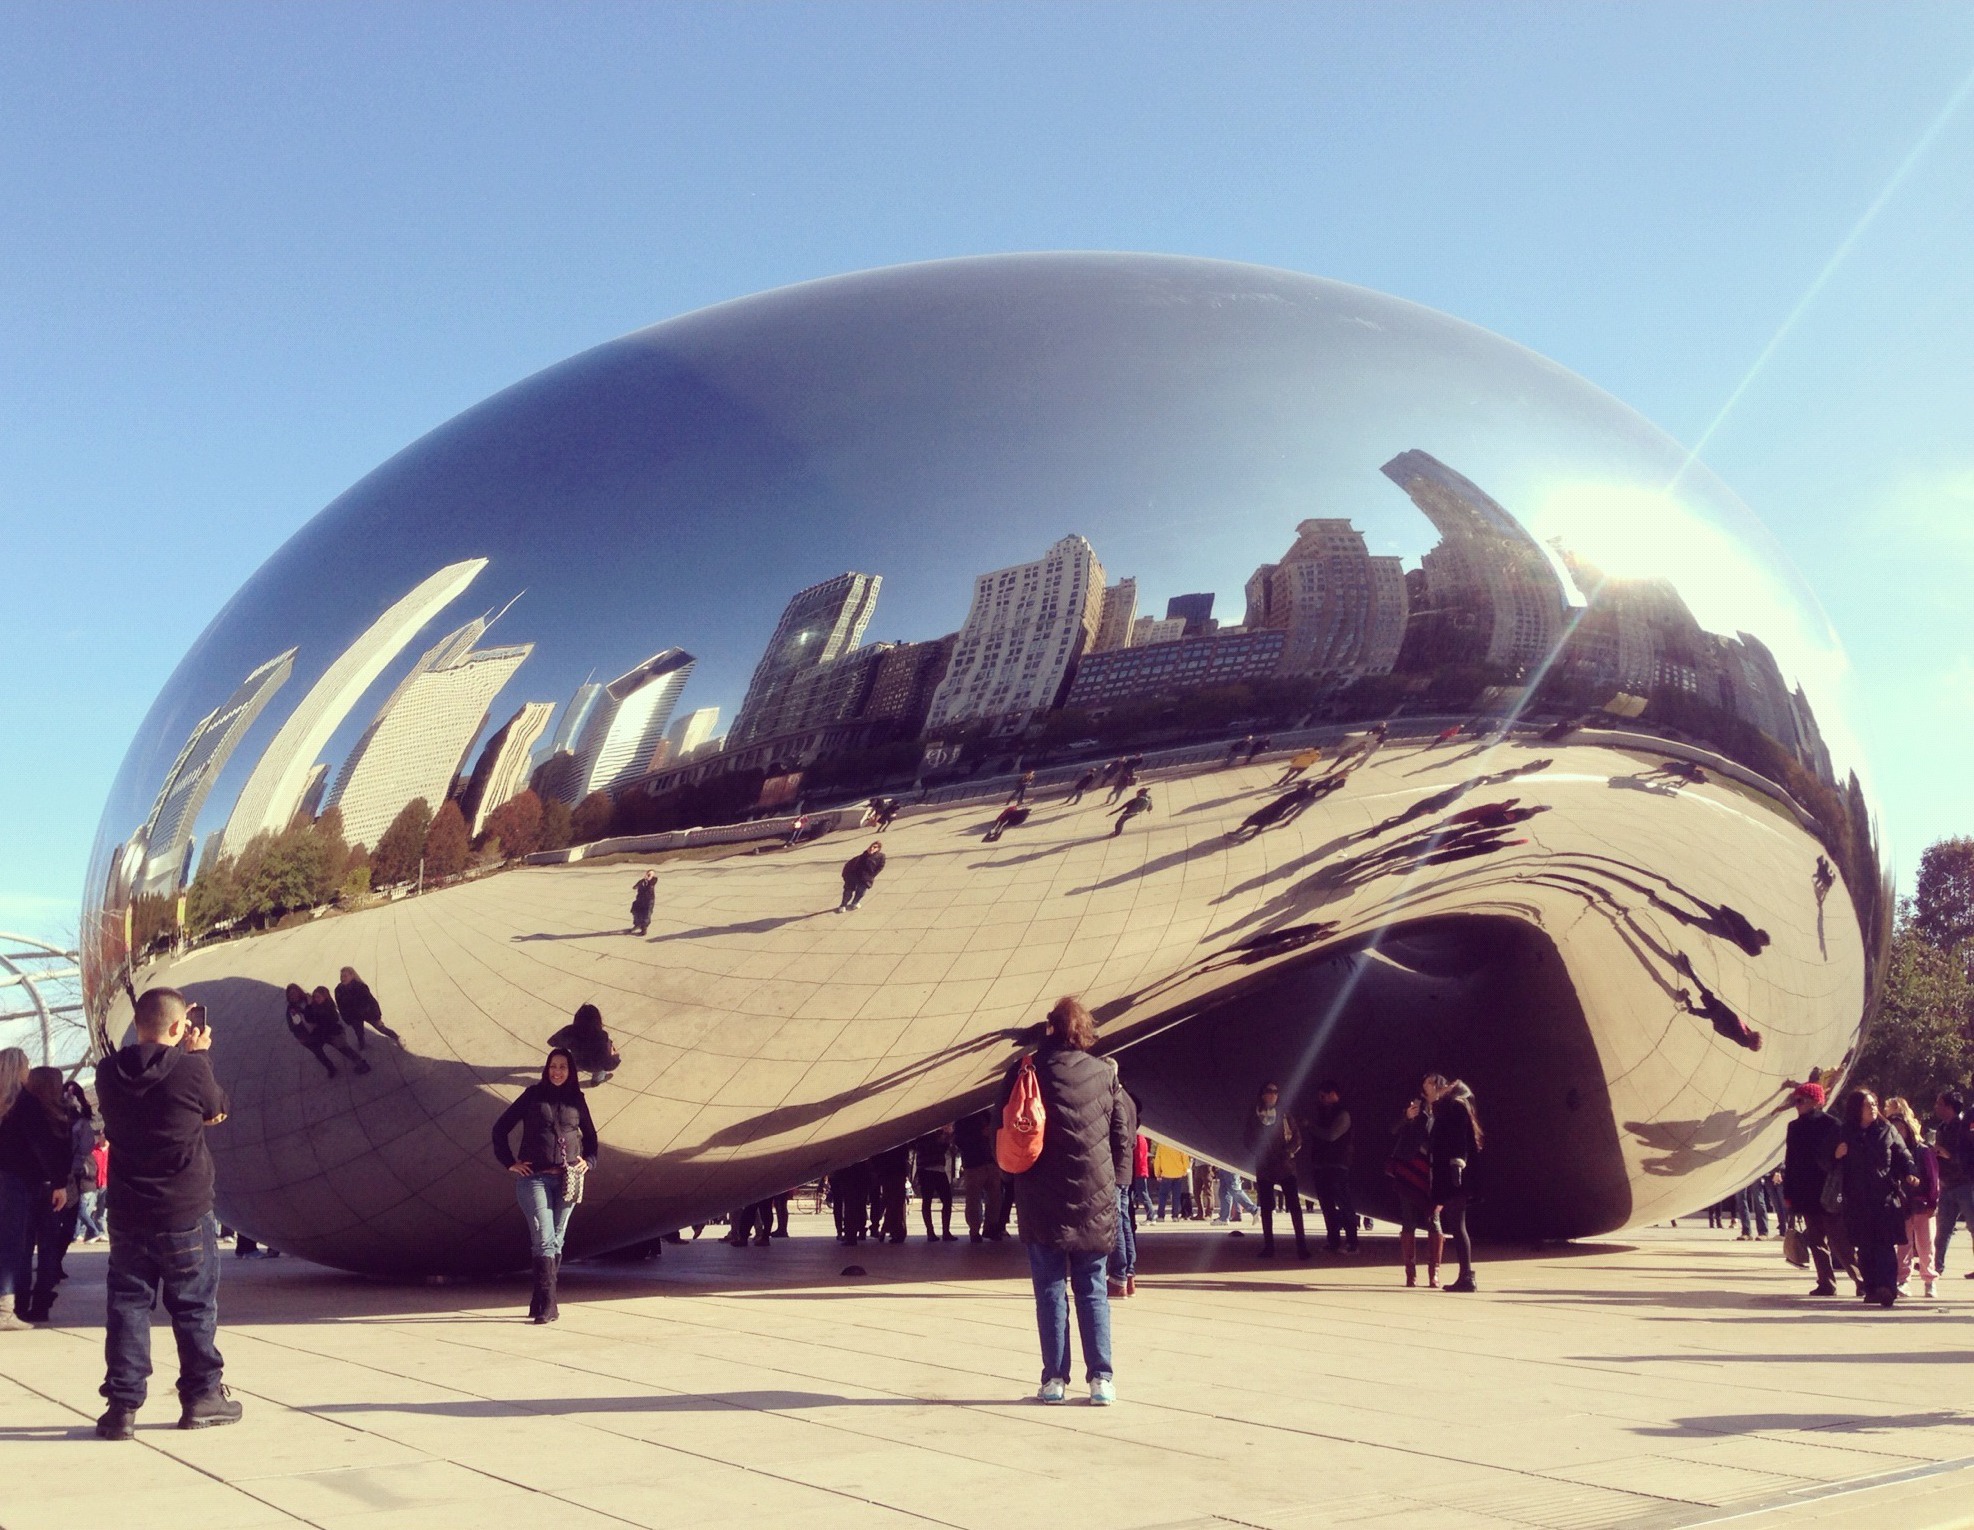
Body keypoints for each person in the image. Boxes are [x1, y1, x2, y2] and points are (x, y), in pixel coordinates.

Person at [93, 987, 240, 1436]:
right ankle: (202, 1397)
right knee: (194, 1306)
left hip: (128, 1212)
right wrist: (199, 1056)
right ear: (180, 1027)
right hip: (184, 1209)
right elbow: (216, 1110)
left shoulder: (106, 1073)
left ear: (137, 1025)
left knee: (128, 1306)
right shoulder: (191, 1069)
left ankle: (122, 1406)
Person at [999, 996, 1128, 1406]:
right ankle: (1101, 1380)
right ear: (1085, 1032)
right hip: (1095, 1196)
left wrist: (1011, 1179)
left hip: (1040, 1196)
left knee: (1051, 1290)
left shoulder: (1026, 1070)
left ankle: (1054, 1379)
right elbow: (1122, 1134)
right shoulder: (1105, 1073)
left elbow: (1003, 1128)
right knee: (1092, 1288)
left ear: (1050, 1028)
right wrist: (1118, 1186)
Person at [490, 1049, 599, 1324]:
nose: (557, 1071)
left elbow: (592, 1137)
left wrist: (589, 1161)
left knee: (557, 1237)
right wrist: (509, 1162)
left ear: (570, 1071)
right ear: (546, 1069)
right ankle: (549, 1304)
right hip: (534, 1178)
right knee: (543, 1236)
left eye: (562, 1067)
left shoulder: (577, 1099)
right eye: (553, 1066)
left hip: (567, 1178)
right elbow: (500, 1128)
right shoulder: (532, 1095)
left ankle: (540, 1298)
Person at [0, 1056, 69, 1331]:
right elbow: (41, 1146)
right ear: (18, 1068)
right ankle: (5, 1308)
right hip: (18, 1181)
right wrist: (58, 1182)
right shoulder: (25, 1104)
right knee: (13, 1245)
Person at [1835, 1087, 1917, 1308]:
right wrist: (1836, 1154)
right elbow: (1827, 1163)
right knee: (1865, 1247)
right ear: (1855, 1109)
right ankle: (1871, 1288)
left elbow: (1903, 1154)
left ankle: (1888, 1288)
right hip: (1856, 1199)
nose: (1872, 1108)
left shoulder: (1886, 1129)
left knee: (1885, 1246)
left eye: (1874, 1104)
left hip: (1884, 1198)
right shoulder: (1844, 1132)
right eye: (1867, 1104)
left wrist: (1910, 1172)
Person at [23, 1069, 93, 1321]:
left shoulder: (24, 1113)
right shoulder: (62, 1117)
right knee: (49, 1240)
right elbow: (65, 1153)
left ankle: (23, 1299)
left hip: (29, 1185)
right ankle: (41, 1298)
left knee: (25, 1243)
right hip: (56, 1185)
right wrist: (61, 1182)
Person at [1780, 1082, 1854, 1296]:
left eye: (1801, 1100)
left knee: (1840, 1241)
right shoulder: (1793, 1127)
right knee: (1816, 1241)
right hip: (1805, 1191)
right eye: (1795, 1101)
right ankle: (1826, 1283)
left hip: (1827, 1190)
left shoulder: (1833, 1125)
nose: (1797, 1105)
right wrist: (1789, 1194)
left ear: (1816, 1101)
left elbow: (1841, 1160)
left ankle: (1861, 1280)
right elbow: (1790, 1161)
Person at [1425, 1074, 1482, 1293]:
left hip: (1453, 1176)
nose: (1426, 1092)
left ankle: (1467, 1276)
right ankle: (1465, 1275)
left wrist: (1456, 1166)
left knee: (1458, 1226)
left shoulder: (1455, 1107)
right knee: (1457, 1226)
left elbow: (1459, 1140)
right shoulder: (1449, 1107)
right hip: (1451, 1174)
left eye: (1428, 1086)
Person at [1243, 1083, 1308, 1259]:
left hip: (1285, 1166)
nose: (1272, 1095)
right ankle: (1268, 1246)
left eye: (1275, 1092)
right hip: (1265, 1166)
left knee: (1294, 1206)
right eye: (1268, 1092)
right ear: (1262, 1095)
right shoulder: (1255, 1116)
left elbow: (1297, 1137)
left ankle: (1301, 1246)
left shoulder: (1285, 1115)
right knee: (1266, 1208)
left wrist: (1288, 1152)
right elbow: (1247, 1138)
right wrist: (1258, 1152)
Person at [1884, 1097, 1939, 1296]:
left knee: (1925, 1245)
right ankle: (1903, 1280)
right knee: (1903, 1245)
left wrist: (1933, 1202)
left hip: (1922, 1205)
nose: (1898, 1133)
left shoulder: (1923, 1150)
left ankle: (1929, 1280)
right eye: (1894, 1130)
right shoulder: (1891, 1153)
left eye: (1901, 1129)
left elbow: (1933, 1179)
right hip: (1902, 1206)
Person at [1388, 1095, 1441, 1287]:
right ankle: (1410, 1273)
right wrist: (1407, 1117)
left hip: (1432, 1173)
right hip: (1409, 1171)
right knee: (1408, 1220)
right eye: (1426, 1084)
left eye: (1432, 1083)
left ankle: (1434, 1272)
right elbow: (1393, 1130)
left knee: (1434, 1221)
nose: (1427, 1087)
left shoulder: (1444, 1110)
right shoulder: (1415, 1108)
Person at [1305, 1080, 1358, 1255]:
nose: (1321, 1100)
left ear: (1332, 1094)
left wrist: (1310, 1127)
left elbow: (1331, 1135)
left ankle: (1352, 1242)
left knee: (1344, 1203)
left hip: (1338, 1165)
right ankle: (1333, 1240)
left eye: (1323, 1096)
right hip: (1322, 1164)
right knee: (1326, 1204)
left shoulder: (1343, 1114)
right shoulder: (1325, 1113)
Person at [284, 982, 368, 1077]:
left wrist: (310, 1005)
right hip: (310, 1036)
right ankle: (331, 1068)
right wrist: (300, 1035)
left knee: (342, 1047)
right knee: (319, 1054)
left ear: (299, 992)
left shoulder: (311, 999)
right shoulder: (291, 1009)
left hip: (326, 1030)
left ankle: (361, 1063)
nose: (293, 996)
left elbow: (321, 1013)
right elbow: (292, 1026)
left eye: (295, 993)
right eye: (290, 994)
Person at [1930, 1091, 1973, 1277]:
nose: (1936, 1107)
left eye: (1940, 1103)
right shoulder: (1941, 1127)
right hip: (1947, 1184)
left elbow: (1967, 1154)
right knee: (1943, 1228)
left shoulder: (1963, 1126)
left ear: (1949, 1107)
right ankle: (1936, 1265)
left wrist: (1947, 1154)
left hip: (1965, 1183)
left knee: (1973, 1226)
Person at [1108, 1086, 1141, 1298]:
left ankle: (1118, 1277)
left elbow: (1119, 1137)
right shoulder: (1129, 1099)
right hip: (1125, 1169)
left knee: (1116, 1222)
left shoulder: (1116, 1098)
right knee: (1125, 1221)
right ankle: (1129, 1275)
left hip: (1115, 1169)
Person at [954, 1109, 1002, 1242]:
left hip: (991, 1162)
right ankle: (974, 1230)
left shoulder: (988, 1115)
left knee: (995, 1197)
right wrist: (979, 1134)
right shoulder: (964, 1118)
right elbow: (959, 1140)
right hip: (974, 1163)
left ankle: (991, 1228)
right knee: (973, 1199)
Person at [547, 1003, 621, 1086]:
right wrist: (615, 1057)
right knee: (600, 1068)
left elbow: (552, 1042)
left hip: (578, 1060)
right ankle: (596, 1081)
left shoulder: (570, 1030)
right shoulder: (601, 1036)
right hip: (595, 1065)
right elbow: (606, 1063)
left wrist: (565, 1048)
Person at [334, 967, 402, 1049]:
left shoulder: (361, 987)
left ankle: (396, 1038)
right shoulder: (338, 990)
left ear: (352, 976)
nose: (343, 978)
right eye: (341, 976)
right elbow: (341, 1007)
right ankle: (362, 1045)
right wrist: (347, 1019)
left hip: (368, 1013)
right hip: (354, 1016)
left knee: (381, 1028)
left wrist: (377, 1017)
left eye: (345, 976)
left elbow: (372, 1002)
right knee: (359, 1033)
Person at [912, 1125, 957, 1241]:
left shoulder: (934, 1134)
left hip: (935, 1169)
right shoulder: (924, 1135)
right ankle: (933, 1232)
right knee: (929, 1201)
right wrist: (943, 1140)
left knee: (944, 1201)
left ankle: (941, 1232)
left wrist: (945, 1140)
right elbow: (934, 1148)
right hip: (927, 1170)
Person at [838, 841, 886, 912]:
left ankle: (854, 903)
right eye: (871, 846)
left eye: (875, 847)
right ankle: (843, 905)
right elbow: (849, 866)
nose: (872, 848)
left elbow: (880, 867)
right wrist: (845, 876)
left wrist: (872, 875)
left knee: (860, 892)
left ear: (878, 849)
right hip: (853, 876)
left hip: (865, 878)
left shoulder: (881, 857)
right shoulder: (862, 856)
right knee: (848, 891)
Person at [1149, 1140, 1190, 1220]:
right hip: (1178, 1174)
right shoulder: (1179, 1144)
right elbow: (1185, 1157)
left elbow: (1158, 1160)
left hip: (1166, 1174)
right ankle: (1175, 1216)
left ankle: (1161, 1216)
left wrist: (1157, 1173)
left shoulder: (1162, 1144)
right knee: (1176, 1196)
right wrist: (1185, 1170)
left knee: (1163, 1196)